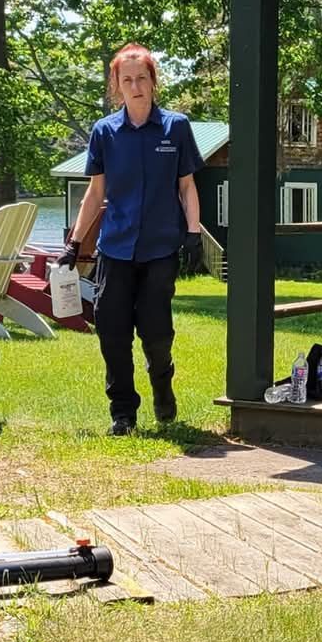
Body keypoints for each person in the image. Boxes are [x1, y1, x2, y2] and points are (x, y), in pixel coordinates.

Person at [59, 43, 205, 435]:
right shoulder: (105, 132)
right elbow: (94, 193)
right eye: (128, 80)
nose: (136, 86)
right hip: (116, 248)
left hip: (160, 247)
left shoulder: (176, 127)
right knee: (112, 330)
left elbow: (187, 186)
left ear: (153, 82)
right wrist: (74, 243)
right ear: (117, 86)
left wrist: (193, 234)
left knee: (156, 333)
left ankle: (162, 386)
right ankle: (122, 413)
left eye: (142, 78)